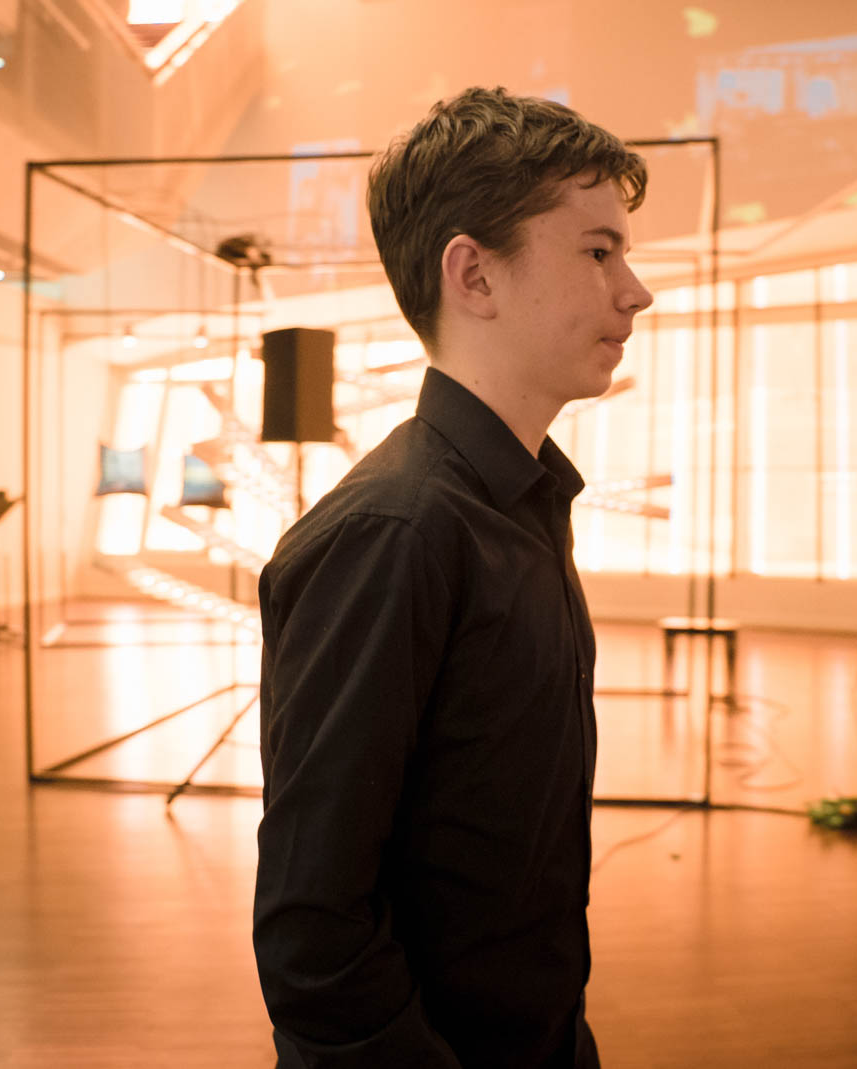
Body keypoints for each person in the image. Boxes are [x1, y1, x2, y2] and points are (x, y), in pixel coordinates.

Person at [252, 86, 653, 1068]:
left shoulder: (520, 504)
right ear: (474, 274)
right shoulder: (395, 532)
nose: (635, 290)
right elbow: (316, 931)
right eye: (598, 251)